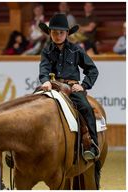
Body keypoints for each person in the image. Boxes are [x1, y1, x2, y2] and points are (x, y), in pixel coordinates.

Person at [39, 14, 99, 161]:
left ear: (67, 33)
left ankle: (92, 145)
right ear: (49, 33)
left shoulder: (76, 50)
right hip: (52, 85)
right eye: (54, 32)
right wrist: (46, 80)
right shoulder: (46, 51)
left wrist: (83, 85)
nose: (58, 35)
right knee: (32, 103)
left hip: (71, 88)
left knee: (85, 108)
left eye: (61, 32)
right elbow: (44, 69)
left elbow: (92, 70)